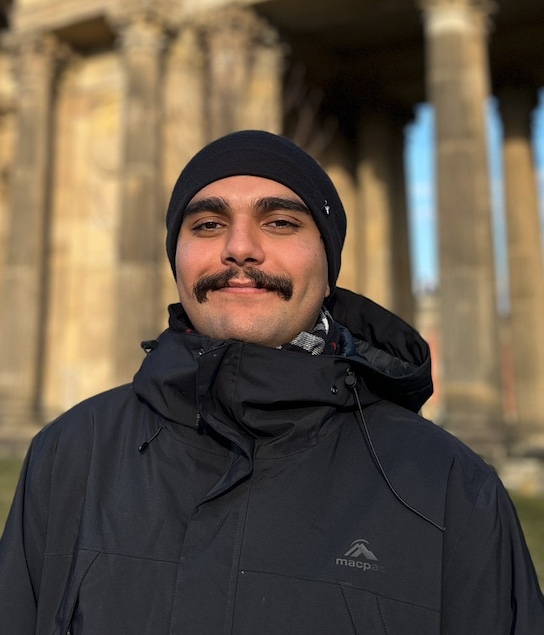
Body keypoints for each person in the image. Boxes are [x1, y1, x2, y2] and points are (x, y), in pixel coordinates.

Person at [0, 130, 543, 635]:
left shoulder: (448, 489)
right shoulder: (69, 456)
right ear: (176, 260)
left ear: (328, 268)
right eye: (207, 224)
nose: (240, 247)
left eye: (281, 222)